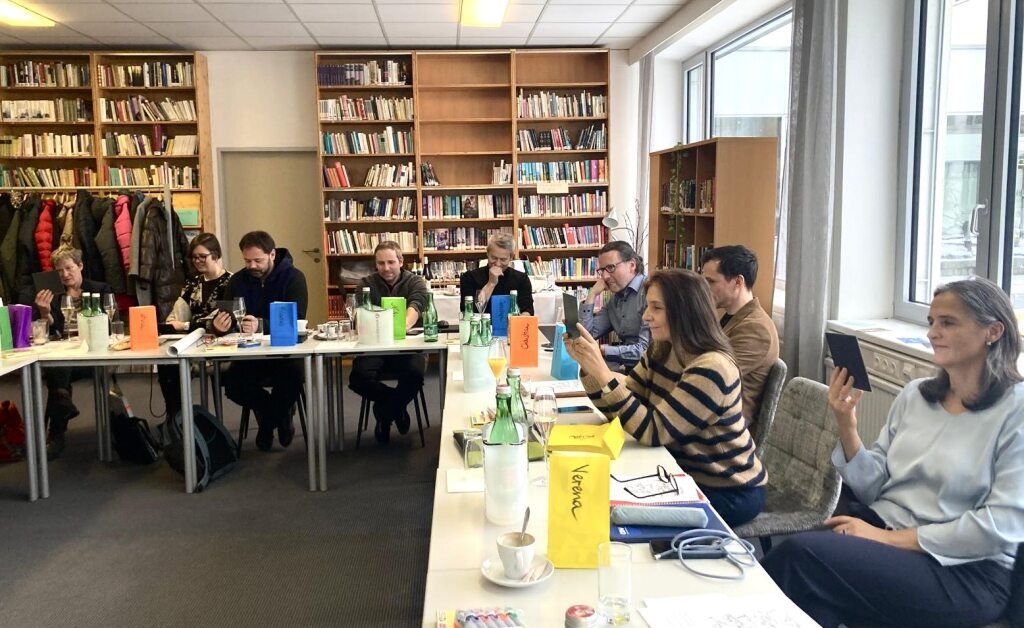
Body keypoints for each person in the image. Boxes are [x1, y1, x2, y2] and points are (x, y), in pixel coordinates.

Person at [762, 277, 1024, 628]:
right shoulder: (916, 395)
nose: (933, 333)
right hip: (887, 536)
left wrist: (885, 538)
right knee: (813, 601)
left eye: (948, 323)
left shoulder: (1016, 409)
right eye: (931, 322)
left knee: (800, 555)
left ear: (993, 331)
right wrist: (846, 424)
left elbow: (999, 527)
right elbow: (875, 488)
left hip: (965, 571)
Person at [564, 268, 766, 527]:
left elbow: (652, 431)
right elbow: (623, 407)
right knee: (592, 492)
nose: (646, 316)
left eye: (656, 308)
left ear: (685, 311)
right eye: (648, 306)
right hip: (674, 469)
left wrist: (603, 373)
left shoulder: (713, 368)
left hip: (726, 487)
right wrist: (590, 368)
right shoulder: (662, 349)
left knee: (608, 512)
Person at [212, 231, 308, 452]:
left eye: (258, 260)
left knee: (291, 379)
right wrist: (218, 327)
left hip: (285, 353)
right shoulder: (237, 281)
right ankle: (278, 416)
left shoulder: (294, 278)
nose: (252, 266)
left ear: (272, 254)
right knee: (233, 385)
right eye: (247, 261)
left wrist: (261, 325)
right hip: (249, 353)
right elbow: (227, 317)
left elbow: (297, 319)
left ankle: (267, 423)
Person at [30, 247, 112, 458]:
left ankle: (56, 432)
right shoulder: (54, 296)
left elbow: (109, 325)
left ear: (80, 266)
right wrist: (45, 313)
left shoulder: (100, 289)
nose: (65, 274)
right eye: (59, 271)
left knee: (57, 376)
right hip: (67, 354)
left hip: (94, 354)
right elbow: (54, 332)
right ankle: (62, 402)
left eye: (69, 268)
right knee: (58, 365)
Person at [349, 241, 429, 445]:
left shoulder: (416, 282)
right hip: (375, 347)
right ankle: (396, 408)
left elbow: (416, 306)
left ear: (401, 261)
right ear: (375, 264)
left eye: (391, 262)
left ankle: (383, 413)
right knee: (358, 378)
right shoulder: (365, 283)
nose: (386, 268)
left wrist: (403, 325)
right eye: (381, 263)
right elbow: (360, 314)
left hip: (408, 347)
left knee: (414, 375)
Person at [700, 245, 779, 431]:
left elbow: (712, 377)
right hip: (708, 412)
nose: (704, 288)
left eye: (711, 281)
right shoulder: (730, 318)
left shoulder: (756, 329)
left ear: (738, 282)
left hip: (723, 429)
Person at [156, 233, 232, 422]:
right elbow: (176, 314)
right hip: (194, 343)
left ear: (215, 255)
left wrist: (185, 325)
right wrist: (172, 326)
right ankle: (176, 416)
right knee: (166, 363)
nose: (197, 261)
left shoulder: (231, 282)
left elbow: (219, 321)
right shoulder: (194, 283)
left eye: (202, 256)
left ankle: (182, 419)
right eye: (194, 257)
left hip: (221, 345)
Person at [579, 241, 650, 372]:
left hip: (650, 373)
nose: (605, 276)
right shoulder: (615, 299)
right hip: (629, 370)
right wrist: (592, 294)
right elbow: (586, 335)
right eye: (602, 270)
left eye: (611, 268)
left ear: (632, 265)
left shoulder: (650, 292)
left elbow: (646, 351)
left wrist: (603, 350)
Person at [459, 233, 533, 316]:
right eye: (494, 258)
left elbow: (528, 310)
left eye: (503, 259)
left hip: (511, 323)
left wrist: (520, 320)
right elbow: (468, 312)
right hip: (480, 323)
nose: (498, 264)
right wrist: (491, 283)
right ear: (487, 254)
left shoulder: (522, 279)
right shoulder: (469, 278)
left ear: (511, 257)